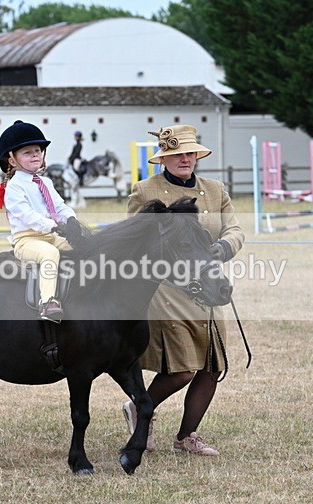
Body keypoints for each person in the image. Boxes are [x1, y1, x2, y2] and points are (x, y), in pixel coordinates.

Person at [121, 124, 244, 456]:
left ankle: (187, 436)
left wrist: (223, 249)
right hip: (166, 289)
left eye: (189, 153)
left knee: (211, 366)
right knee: (182, 369)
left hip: (207, 286)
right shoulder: (145, 191)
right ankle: (139, 409)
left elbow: (234, 229)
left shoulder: (215, 190)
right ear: (164, 158)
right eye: (176, 154)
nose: (184, 159)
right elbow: (135, 238)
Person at [0, 120, 81, 322]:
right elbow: (27, 215)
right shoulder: (14, 187)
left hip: (53, 234)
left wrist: (71, 220)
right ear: (12, 160)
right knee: (49, 254)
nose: (35, 154)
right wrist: (53, 225)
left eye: (38, 150)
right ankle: (47, 302)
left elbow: (59, 206)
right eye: (27, 152)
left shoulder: (46, 182)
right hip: (28, 240)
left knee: (80, 249)